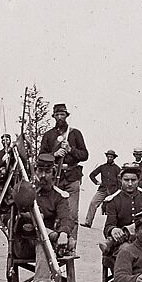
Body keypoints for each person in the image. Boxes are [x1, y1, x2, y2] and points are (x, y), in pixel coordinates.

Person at [25, 153, 75, 282]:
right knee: (42, 238)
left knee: (43, 242)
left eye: (47, 172)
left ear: (53, 173)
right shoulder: (27, 192)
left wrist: (64, 233)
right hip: (24, 243)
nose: (43, 176)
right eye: (39, 171)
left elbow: (66, 218)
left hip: (45, 243)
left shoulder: (58, 196)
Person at [38, 103, 89, 251]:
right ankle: (55, 244)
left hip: (72, 177)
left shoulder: (75, 134)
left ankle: (70, 246)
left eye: (63, 114)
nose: (60, 117)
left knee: (72, 214)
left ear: (67, 116)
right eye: (57, 115)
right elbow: (41, 155)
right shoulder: (48, 135)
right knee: (56, 212)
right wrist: (54, 155)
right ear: (53, 116)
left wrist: (70, 149)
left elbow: (85, 155)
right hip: (56, 177)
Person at [100, 164, 142, 260]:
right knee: (126, 251)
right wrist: (113, 230)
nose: (130, 184)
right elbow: (108, 226)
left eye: (133, 180)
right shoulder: (113, 200)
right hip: (124, 242)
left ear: (138, 180)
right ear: (120, 180)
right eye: (126, 180)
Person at [82, 150, 121, 227]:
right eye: (108, 156)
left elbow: (120, 181)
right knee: (93, 203)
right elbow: (92, 175)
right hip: (102, 190)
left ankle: (115, 225)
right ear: (106, 157)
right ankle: (88, 222)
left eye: (111, 157)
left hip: (113, 191)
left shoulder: (117, 169)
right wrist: (97, 182)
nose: (109, 158)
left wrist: (117, 192)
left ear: (114, 158)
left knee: (114, 208)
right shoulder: (102, 167)